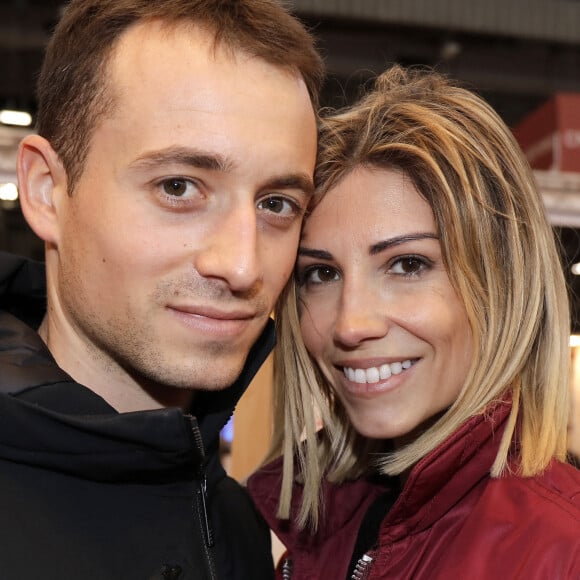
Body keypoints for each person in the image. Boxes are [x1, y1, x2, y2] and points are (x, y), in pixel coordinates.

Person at [0, 1, 322, 578]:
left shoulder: (239, 529)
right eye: (179, 187)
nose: (243, 266)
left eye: (277, 204)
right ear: (47, 191)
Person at [248, 65, 580, 579]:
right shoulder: (326, 521)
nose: (350, 324)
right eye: (321, 273)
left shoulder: (563, 549)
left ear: (501, 284)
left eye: (407, 265)